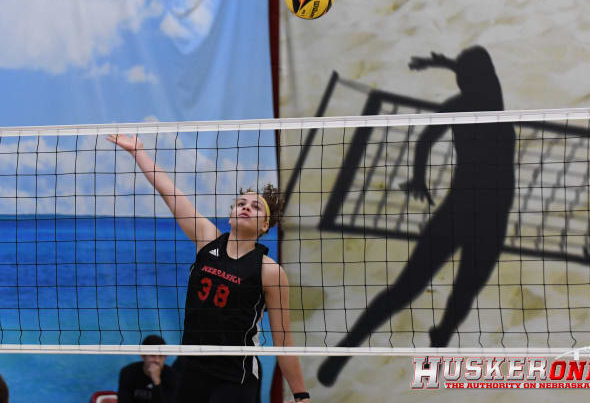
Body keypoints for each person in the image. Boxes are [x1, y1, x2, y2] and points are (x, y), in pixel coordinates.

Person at [318, 45, 516, 386]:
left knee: (405, 289)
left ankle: (348, 347)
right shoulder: (494, 105)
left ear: (463, 79)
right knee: (463, 293)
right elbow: (481, 75)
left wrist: (419, 177)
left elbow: (425, 138)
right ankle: (439, 340)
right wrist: (445, 63)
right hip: (490, 220)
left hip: (457, 212)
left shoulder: (459, 106)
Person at [107, 134, 311, 403]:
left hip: (235, 377)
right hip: (192, 369)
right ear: (231, 215)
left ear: (266, 226)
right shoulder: (208, 239)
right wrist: (139, 152)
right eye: (241, 204)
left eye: (255, 207)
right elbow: (170, 192)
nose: (246, 208)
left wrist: (301, 395)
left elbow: (283, 340)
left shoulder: (270, 271)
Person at [118, 334, 177, 403]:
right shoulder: (128, 372)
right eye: (152, 355)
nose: (157, 360)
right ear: (143, 356)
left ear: (165, 357)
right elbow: (123, 400)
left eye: (161, 356)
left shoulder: (172, 375)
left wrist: (156, 381)